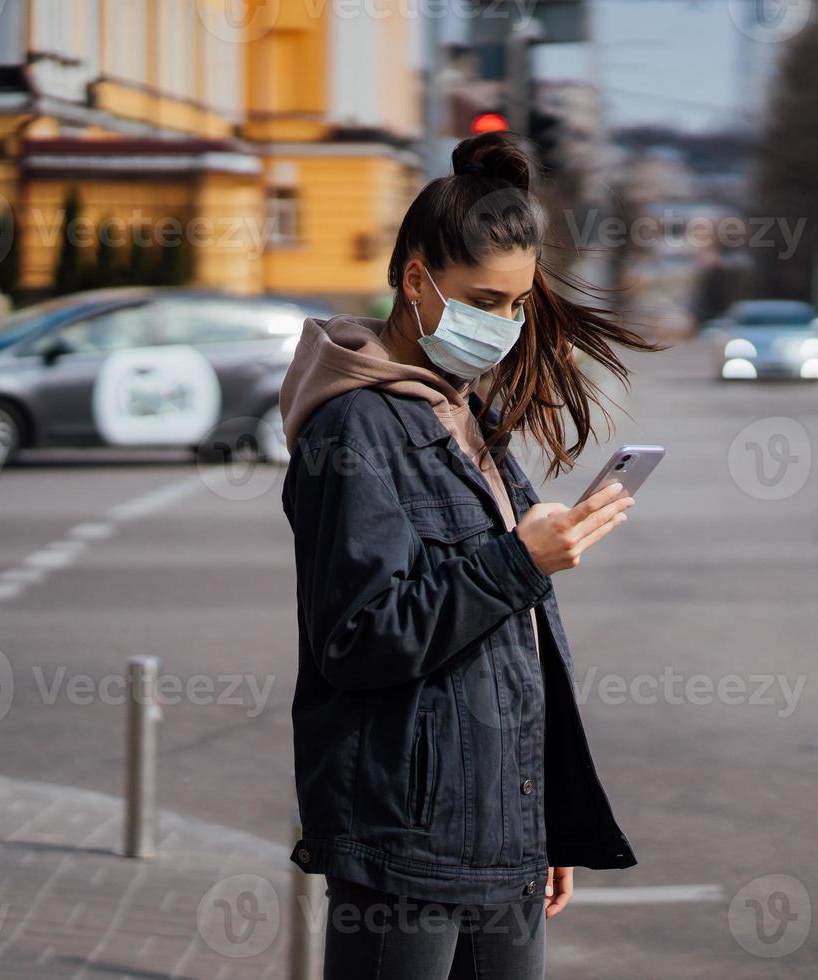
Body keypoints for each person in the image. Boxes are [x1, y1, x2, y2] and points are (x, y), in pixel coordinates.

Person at [279, 131, 664, 979]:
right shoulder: (354, 430)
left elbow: (508, 647)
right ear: (416, 281)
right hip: (409, 843)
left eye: (517, 305)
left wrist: (543, 822)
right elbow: (359, 638)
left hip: (500, 835)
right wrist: (520, 563)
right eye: (483, 301)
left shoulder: (458, 414)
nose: (504, 326)